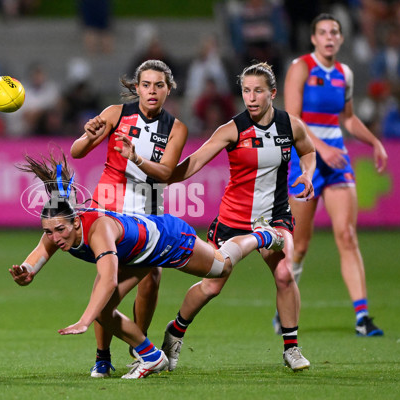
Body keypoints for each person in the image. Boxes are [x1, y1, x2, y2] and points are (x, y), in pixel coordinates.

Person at [9, 153, 286, 379]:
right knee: (103, 309)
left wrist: (84, 320)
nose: (55, 238)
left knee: (221, 267)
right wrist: (26, 272)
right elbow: (37, 256)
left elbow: (108, 279)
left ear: (76, 222)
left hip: (167, 239)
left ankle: (262, 235)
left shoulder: (99, 229)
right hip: (139, 256)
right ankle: (152, 356)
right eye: (48, 231)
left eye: (59, 230)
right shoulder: (57, 233)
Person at [119, 62, 317, 372]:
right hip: (233, 221)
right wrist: (164, 177)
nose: (251, 98)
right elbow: (196, 160)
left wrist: (307, 175)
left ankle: (291, 347)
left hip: (276, 217)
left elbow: (308, 151)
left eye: (258, 91)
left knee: (284, 275)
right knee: (212, 286)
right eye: (246, 91)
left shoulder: (291, 126)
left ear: (272, 93)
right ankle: (177, 329)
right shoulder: (232, 129)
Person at [70, 59, 188, 377]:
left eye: (158, 85)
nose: (152, 91)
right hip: (108, 208)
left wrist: (136, 157)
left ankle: (139, 349)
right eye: (146, 85)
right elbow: (77, 152)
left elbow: (165, 173)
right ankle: (102, 356)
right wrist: (86, 135)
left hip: (148, 212)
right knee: (106, 282)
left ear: (168, 89)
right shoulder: (115, 114)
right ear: (136, 88)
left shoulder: (176, 129)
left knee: (152, 280)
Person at [283, 13, 388, 337]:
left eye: (335, 33)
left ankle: (362, 316)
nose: (329, 37)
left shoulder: (344, 73)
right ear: (314, 39)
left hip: (337, 161)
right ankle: (286, 305)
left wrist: (374, 142)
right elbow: (291, 118)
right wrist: (321, 149)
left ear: (341, 39)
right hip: (306, 161)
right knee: (299, 245)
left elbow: (349, 119)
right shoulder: (301, 67)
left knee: (347, 235)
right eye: (323, 32)